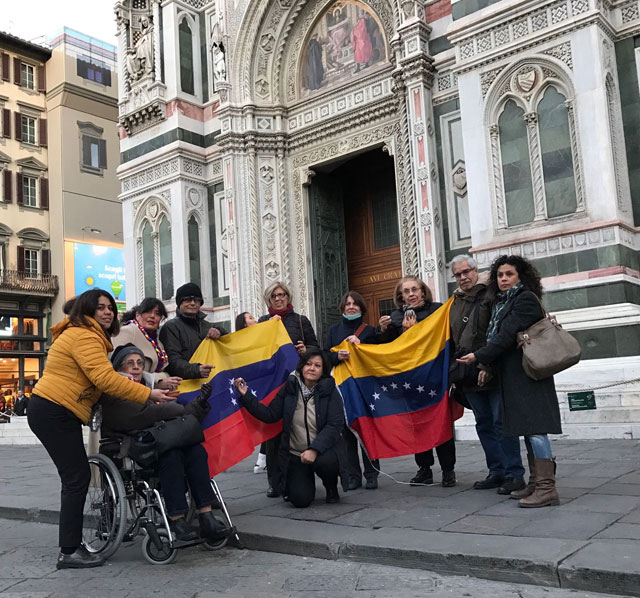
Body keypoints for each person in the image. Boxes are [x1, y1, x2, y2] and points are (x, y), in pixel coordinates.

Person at [26, 289, 172, 569]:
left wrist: (152, 384)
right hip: (55, 410)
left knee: (76, 476)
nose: (107, 312)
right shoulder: (84, 334)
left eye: (110, 308)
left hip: (55, 409)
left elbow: (103, 377)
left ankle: (72, 547)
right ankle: (69, 551)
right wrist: (146, 395)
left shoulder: (85, 334)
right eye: (100, 307)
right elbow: (103, 378)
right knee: (76, 477)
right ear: (87, 310)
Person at [457, 255, 562, 508]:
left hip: (530, 374)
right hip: (515, 375)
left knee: (536, 430)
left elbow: (505, 336)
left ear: (520, 277)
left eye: (509, 275)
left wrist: (479, 356)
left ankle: (547, 488)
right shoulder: (504, 301)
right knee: (528, 429)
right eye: (500, 275)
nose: (503, 279)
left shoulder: (524, 299)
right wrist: (489, 365)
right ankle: (536, 483)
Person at [100, 343, 229, 542]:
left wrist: (198, 405)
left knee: (196, 451)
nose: (136, 367)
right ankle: (176, 518)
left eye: (140, 363)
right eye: (130, 363)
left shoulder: (147, 387)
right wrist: (181, 409)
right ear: (119, 368)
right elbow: (143, 415)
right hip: (129, 444)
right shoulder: (115, 390)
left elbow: (167, 417)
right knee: (171, 455)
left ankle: (206, 515)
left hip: (155, 440)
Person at [449, 255, 525, 495]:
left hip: (490, 368)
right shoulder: (453, 303)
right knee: (483, 423)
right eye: (458, 274)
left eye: (466, 272)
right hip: (466, 372)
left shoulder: (491, 296)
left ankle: (515, 474)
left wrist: (487, 366)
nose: (463, 277)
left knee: (501, 422)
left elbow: (496, 333)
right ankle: (496, 471)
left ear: (475, 270)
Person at [233, 348, 345, 508]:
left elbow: (334, 425)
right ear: (301, 366)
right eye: (308, 364)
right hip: (296, 454)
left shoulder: (330, 390)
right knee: (300, 500)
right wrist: (246, 395)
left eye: (317, 366)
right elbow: (270, 414)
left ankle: (331, 488)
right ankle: (304, 484)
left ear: (323, 370)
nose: (312, 368)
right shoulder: (290, 387)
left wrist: (314, 450)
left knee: (326, 463)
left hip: (322, 451)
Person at [377, 276, 456, 487]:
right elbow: (386, 348)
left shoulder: (438, 311)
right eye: (406, 291)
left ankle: (448, 470)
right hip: (410, 381)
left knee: (441, 423)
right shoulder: (395, 317)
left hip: (435, 378)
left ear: (423, 292)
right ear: (400, 296)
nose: (411, 294)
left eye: (415, 289)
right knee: (418, 425)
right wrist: (385, 330)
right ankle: (424, 469)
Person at [258, 281, 319, 498]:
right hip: (272, 386)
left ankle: (298, 477)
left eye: (282, 294)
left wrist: (306, 350)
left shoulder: (301, 321)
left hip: (297, 383)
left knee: (295, 430)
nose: (278, 298)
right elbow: (257, 352)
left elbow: (316, 349)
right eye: (274, 295)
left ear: (288, 296)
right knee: (273, 435)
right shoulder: (263, 322)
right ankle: (275, 482)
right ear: (268, 299)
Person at [324, 290, 380, 490]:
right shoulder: (333, 331)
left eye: (355, 304)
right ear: (342, 307)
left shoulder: (370, 331)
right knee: (347, 434)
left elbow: (379, 354)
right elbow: (324, 356)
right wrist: (336, 356)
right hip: (342, 388)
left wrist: (362, 345)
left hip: (364, 388)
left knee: (366, 430)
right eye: (347, 304)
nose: (351, 307)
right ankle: (354, 476)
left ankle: (372, 473)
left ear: (361, 307)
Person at [159, 283, 227, 380]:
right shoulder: (170, 327)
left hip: (212, 382)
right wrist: (196, 370)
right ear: (179, 303)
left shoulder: (207, 326)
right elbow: (172, 362)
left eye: (197, 300)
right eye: (187, 300)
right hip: (187, 388)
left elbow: (228, 343)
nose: (193, 303)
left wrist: (220, 332)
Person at [112, 298, 181, 391]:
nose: (152, 316)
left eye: (157, 313)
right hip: (129, 392)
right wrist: (157, 381)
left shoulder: (157, 342)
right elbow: (116, 368)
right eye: (148, 312)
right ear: (137, 315)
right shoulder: (127, 331)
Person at [234, 311, 266, 474]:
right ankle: (261, 457)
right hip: (250, 385)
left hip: (263, 382)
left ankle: (262, 457)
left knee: (266, 416)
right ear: (244, 324)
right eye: (251, 318)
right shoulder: (239, 342)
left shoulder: (261, 335)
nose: (256, 319)